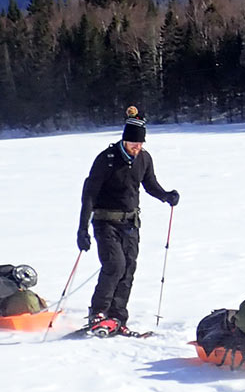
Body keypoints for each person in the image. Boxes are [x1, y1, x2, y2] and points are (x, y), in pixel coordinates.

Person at [75, 107, 179, 333]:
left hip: (131, 224)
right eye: (134, 144)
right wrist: (82, 229)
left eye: (140, 144)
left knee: (129, 269)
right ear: (125, 140)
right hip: (105, 222)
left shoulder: (144, 158)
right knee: (115, 265)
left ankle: (117, 316)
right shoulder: (107, 159)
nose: (137, 148)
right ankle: (98, 312)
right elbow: (89, 195)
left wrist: (166, 196)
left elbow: (150, 184)